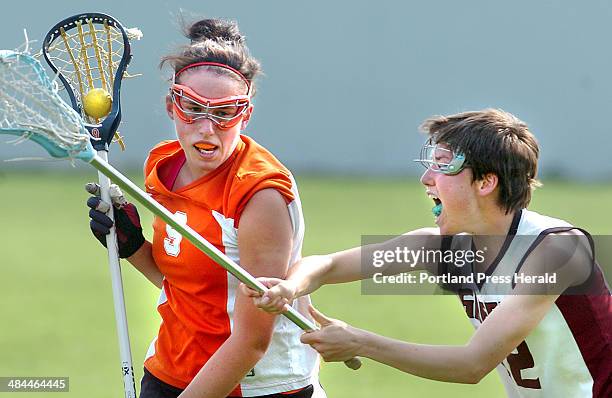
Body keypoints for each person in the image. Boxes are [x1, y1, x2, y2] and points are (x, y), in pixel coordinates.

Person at [243, 109, 612, 397]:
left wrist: (360, 342)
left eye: (443, 166)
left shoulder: (557, 250)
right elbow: (328, 265)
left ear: (486, 182)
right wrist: (290, 287)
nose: (426, 179)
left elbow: (473, 364)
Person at [87, 18, 324, 398]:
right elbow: (190, 288)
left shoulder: (260, 195)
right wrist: (134, 247)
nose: (207, 128)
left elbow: (252, 343)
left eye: (224, 112)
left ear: (244, 114)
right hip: (171, 369)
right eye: (192, 109)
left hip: (256, 385)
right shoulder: (164, 167)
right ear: (171, 106)